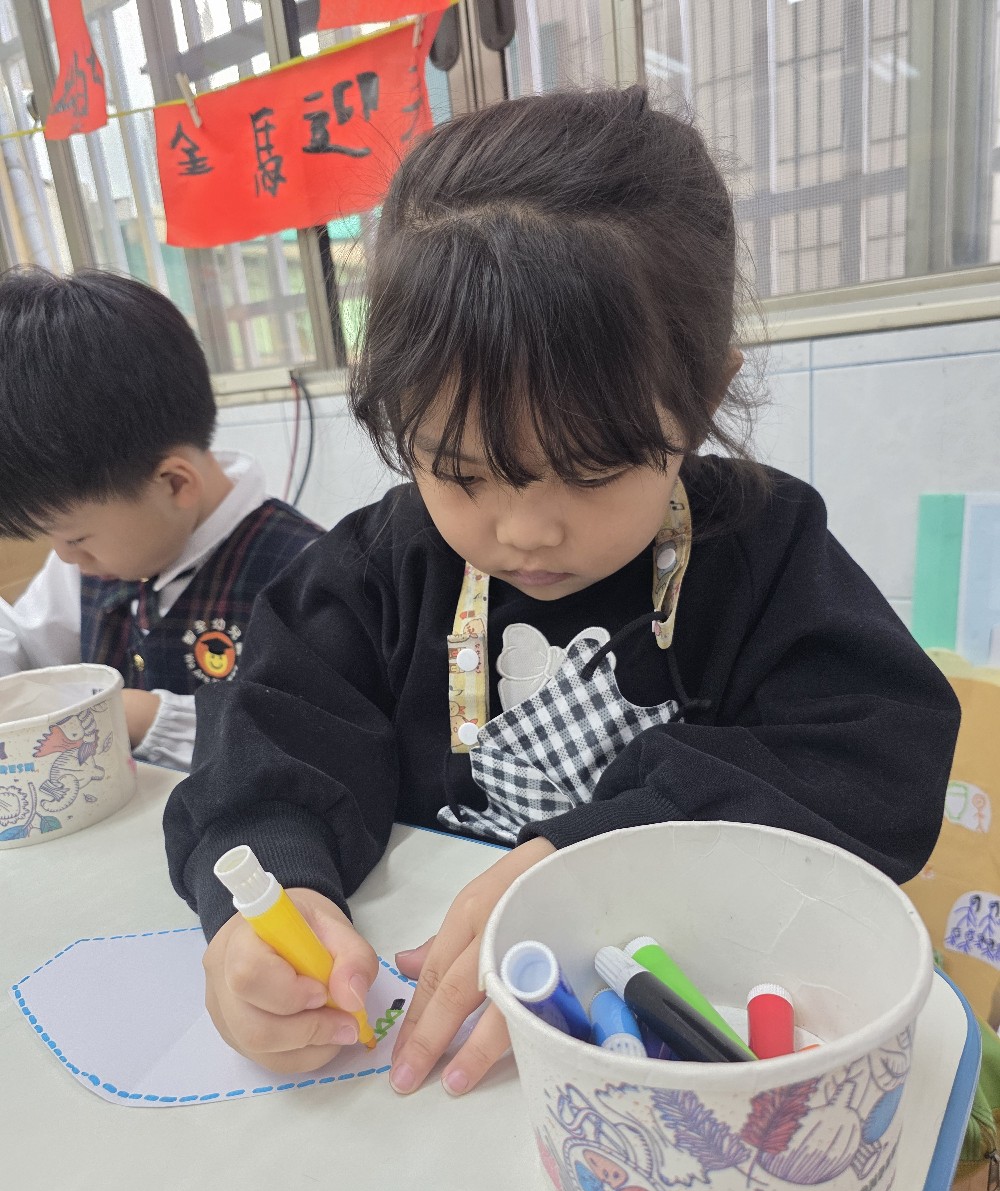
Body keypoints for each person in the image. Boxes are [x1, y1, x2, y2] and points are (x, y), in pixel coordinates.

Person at [164, 88, 960, 1096]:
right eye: (459, 472)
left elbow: (877, 762)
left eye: (588, 472)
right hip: (423, 1068)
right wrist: (270, 899)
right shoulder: (378, 570)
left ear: (701, 400)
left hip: (672, 1051)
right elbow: (268, 743)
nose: (525, 530)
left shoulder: (762, 551)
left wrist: (605, 858)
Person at [0, 268, 322, 771]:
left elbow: (318, 738)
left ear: (174, 484)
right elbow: (26, 656)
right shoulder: (85, 563)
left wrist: (147, 718)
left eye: (77, 538)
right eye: (53, 538)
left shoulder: (306, 574)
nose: (65, 556)